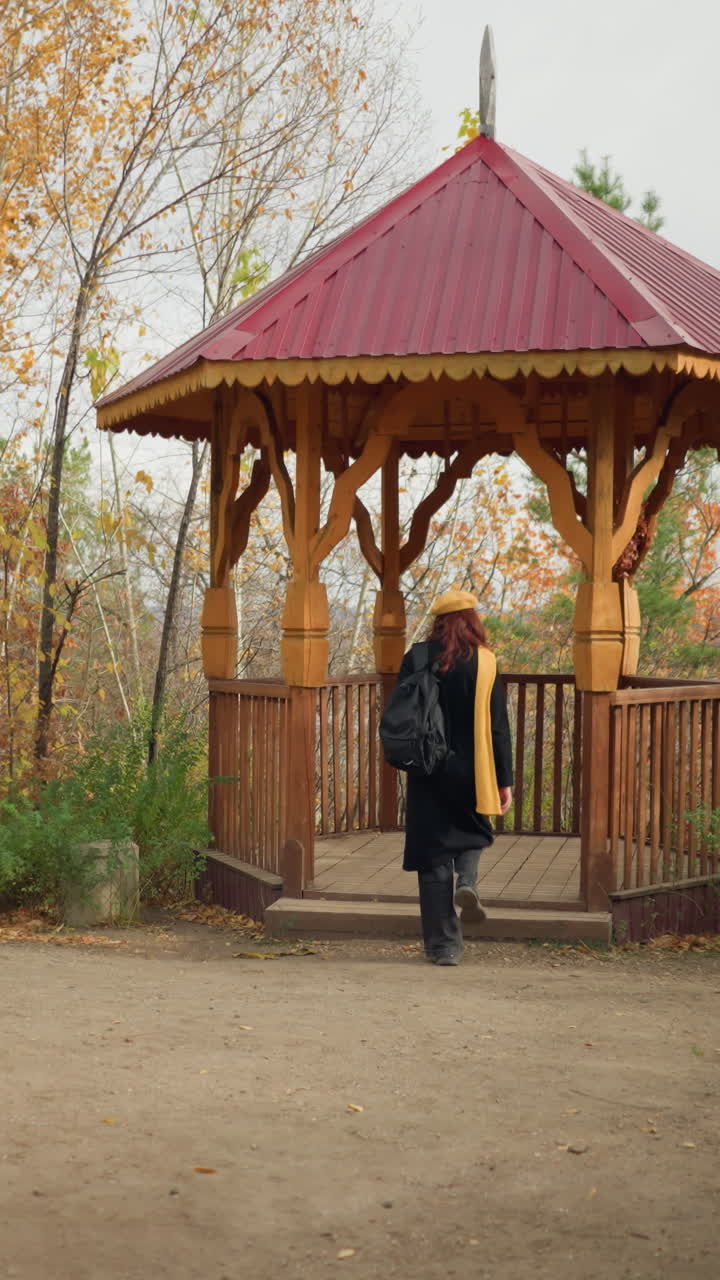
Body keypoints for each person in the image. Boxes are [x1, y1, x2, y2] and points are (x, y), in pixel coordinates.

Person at [399, 588, 513, 966]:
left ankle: (443, 946)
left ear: (438, 623)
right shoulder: (485, 662)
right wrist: (503, 779)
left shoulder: (415, 657)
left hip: (426, 768)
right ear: (473, 622)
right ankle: (466, 880)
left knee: (432, 855)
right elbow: (498, 727)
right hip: (472, 768)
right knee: (474, 829)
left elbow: (399, 713)